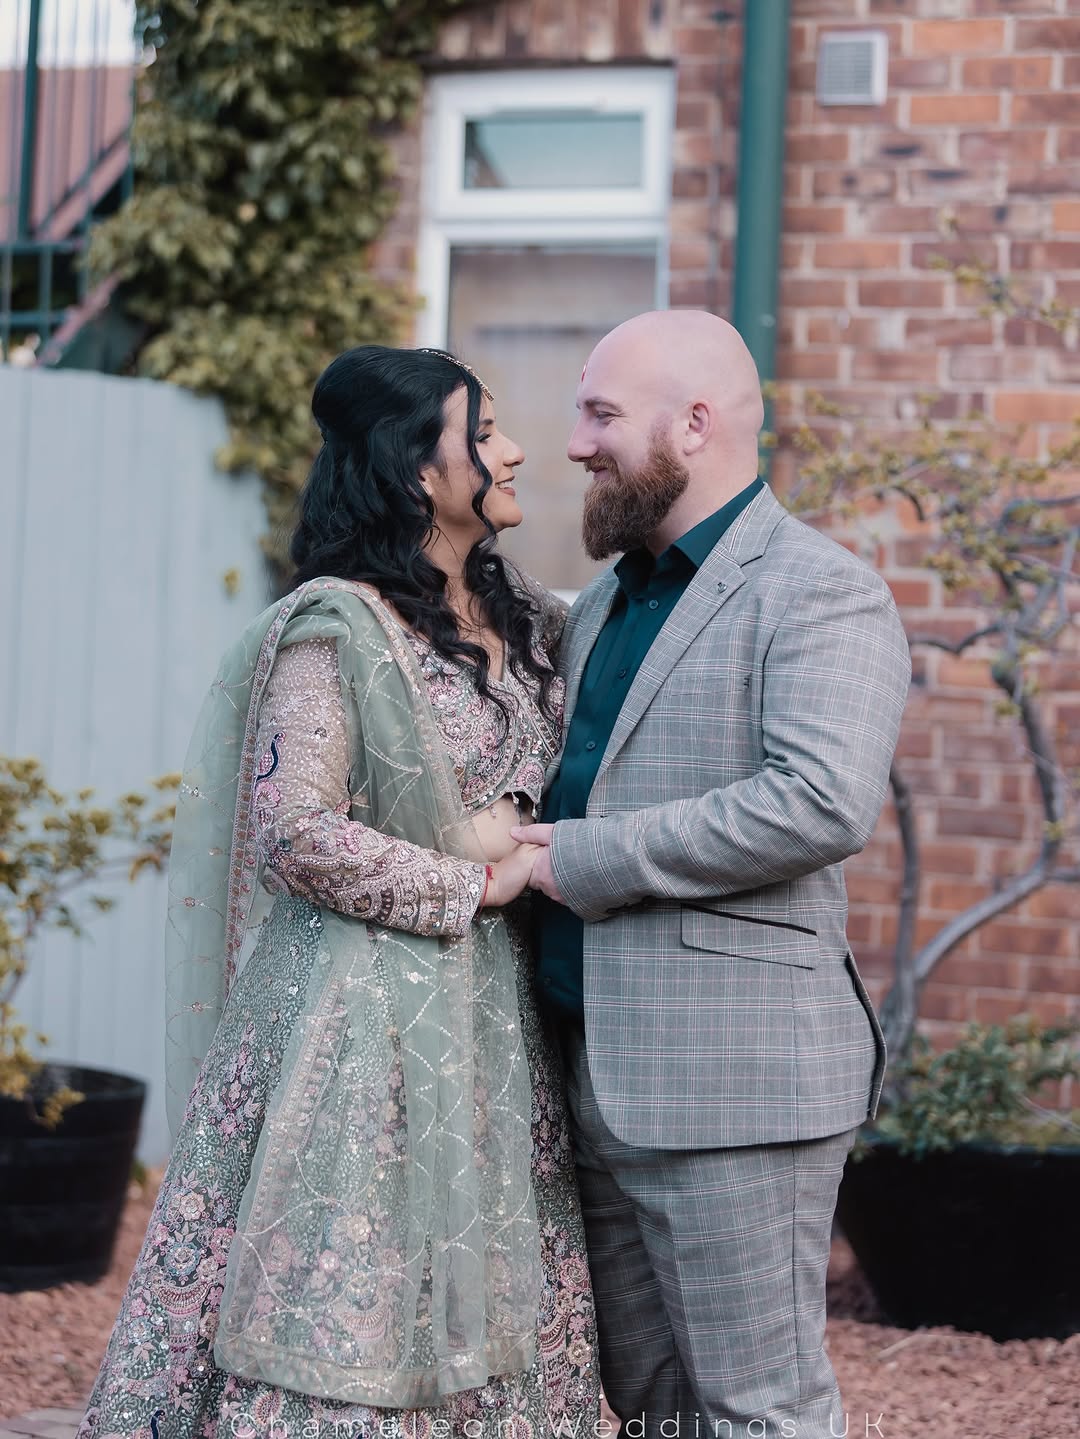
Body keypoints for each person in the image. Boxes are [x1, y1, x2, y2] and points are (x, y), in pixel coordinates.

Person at [78, 346, 600, 1438]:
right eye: (487, 428)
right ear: (421, 467)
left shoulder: (538, 622)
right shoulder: (338, 628)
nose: (513, 450)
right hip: (356, 1030)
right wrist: (480, 876)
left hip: (495, 1029)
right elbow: (298, 834)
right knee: (348, 1289)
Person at [513, 310, 911, 1438]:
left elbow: (818, 801)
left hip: (735, 1083)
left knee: (757, 1410)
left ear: (694, 425)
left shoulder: (822, 591)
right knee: (649, 1405)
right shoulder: (602, 604)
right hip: (590, 1071)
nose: (578, 442)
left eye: (600, 413)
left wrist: (580, 857)